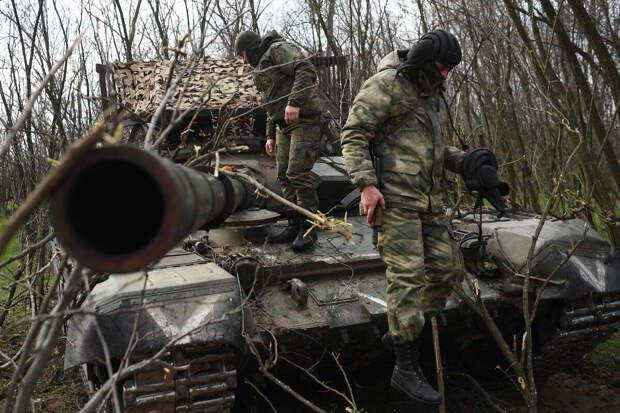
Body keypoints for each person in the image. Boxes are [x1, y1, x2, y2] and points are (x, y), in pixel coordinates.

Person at [340, 29, 467, 404]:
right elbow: (354, 134)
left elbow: (432, 148)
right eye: (442, 68)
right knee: (407, 278)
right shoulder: (386, 85)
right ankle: (405, 367)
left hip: (431, 202)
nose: (446, 76)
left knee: (448, 271)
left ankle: (400, 331)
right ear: (425, 62)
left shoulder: (433, 94)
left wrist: (466, 161)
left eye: (449, 71)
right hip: (393, 202)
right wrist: (366, 185)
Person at [234, 30, 322, 252]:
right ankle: (294, 223)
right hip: (282, 125)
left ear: (251, 48)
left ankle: (310, 227)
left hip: (304, 120)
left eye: (243, 54)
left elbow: (305, 68)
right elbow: (270, 102)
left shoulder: (277, 50)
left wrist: (294, 102)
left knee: (297, 173)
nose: (244, 60)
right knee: (283, 174)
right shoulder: (261, 66)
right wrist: (270, 135)